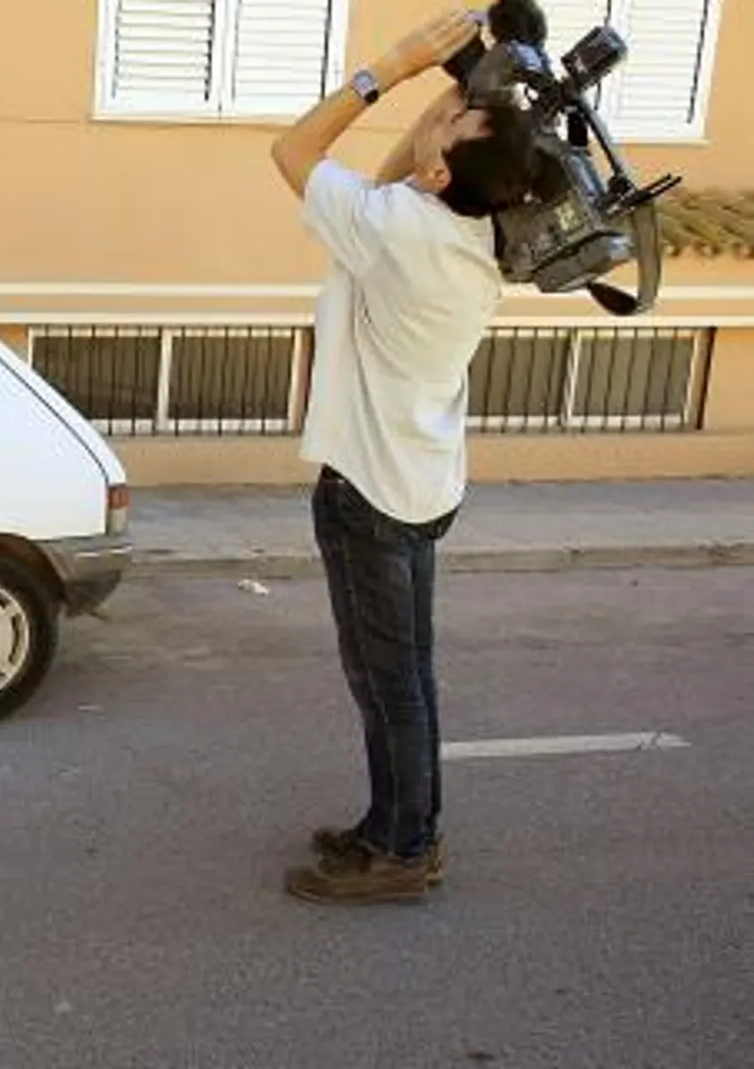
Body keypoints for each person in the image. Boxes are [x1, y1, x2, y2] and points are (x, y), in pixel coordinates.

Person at [268, 6, 539, 904]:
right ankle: (393, 825)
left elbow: (294, 153)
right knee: (399, 673)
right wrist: (448, 102)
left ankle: (405, 850)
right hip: (415, 481)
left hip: (373, 494)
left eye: (459, 116)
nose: (449, 105)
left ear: (440, 168)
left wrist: (390, 67)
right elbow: (379, 186)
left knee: (390, 679)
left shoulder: (405, 234)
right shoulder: (452, 230)